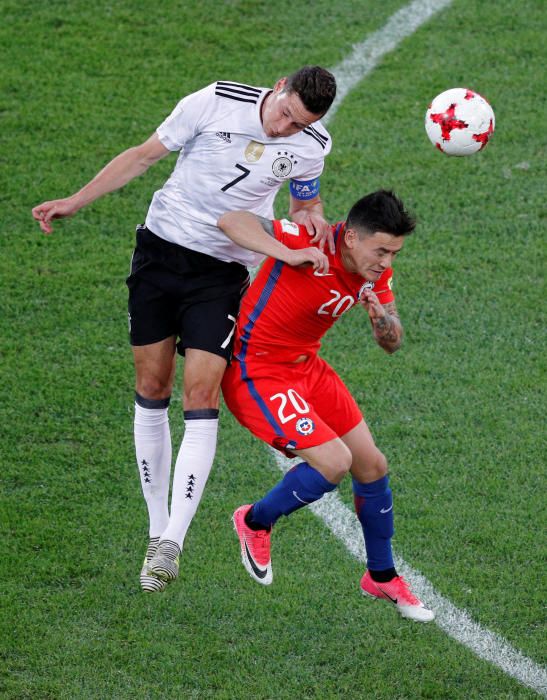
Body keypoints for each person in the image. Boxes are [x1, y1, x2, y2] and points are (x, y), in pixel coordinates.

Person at [31, 66, 337, 593]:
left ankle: (173, 539)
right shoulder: (216, 100)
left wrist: (310, 216)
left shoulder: (312, 143)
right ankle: (156, 530)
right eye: (286, 114)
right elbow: (145, 155)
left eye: (298, 124)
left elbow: (306, 202)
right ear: (280, 86)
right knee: (153, 386)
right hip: (160, 251)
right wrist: (74, 201)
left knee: (202, 393)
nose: (285, 129)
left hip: (221, 272)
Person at [219, 190, 435, 622]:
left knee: (372, 465)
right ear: (352, 238)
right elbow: (231, 221)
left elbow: (393, 343)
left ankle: (381, 576)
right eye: (381, 251)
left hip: (307, 367)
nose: (387, 262)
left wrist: (382, 324)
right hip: (256, 369)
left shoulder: (375, 275)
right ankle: (255, 522)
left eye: (394, 253)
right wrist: (286, 252)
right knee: (333, 462)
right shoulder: (307, 239)